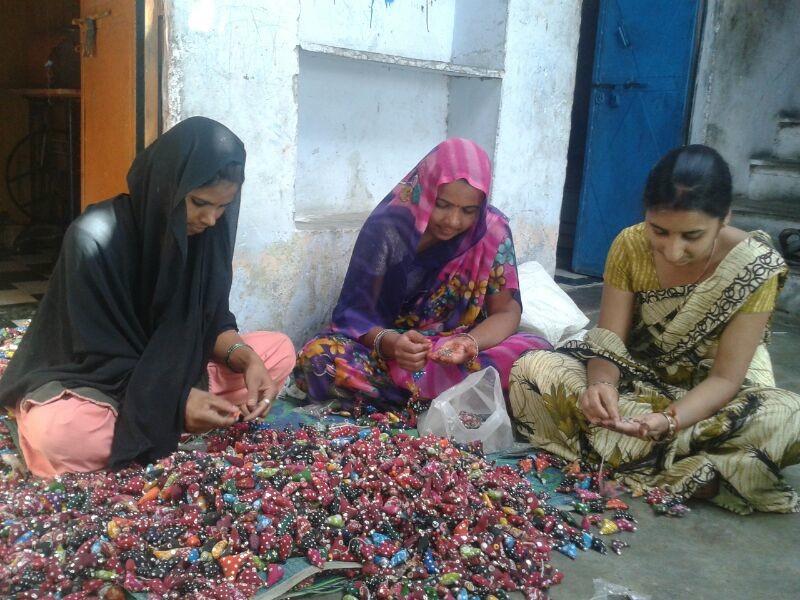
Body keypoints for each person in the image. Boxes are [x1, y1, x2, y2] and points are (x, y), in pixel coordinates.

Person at [509, 145, 800, 514]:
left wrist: (668, 420)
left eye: (692, 236)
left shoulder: (755, 267)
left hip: (713, 395)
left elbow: (727, 379)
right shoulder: (629, 245)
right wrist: (602, 387)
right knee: (532, 369)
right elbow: (610, 340)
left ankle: (635, 457)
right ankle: (704, 472)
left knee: (787, 416)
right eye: (659, 231)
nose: (672, 250)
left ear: (724, 217)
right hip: (638, 377)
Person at [0, 117, 295, 478]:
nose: (211, 219)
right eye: (200, 203)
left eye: (223, 207)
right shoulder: (93, 238)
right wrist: (173, 400)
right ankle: (172, 420)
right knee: (62, 433)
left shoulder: (203, 238)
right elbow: (97, 354)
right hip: (100, 381)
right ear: (166, 185)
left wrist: (245, 359)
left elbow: (210, 321)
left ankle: (171, 420)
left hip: (176, 370)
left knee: (278, 351)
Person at [294, 138, 550, 417]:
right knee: (318, 359)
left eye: (468, 211)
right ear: (425, 190)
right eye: (442, 205)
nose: (452, 221)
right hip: (398, 354)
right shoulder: (388, 230)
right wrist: (393, 345)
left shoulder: (492, 232)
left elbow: (506, 311)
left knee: (536, 356)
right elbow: (352, 316)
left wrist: (470, 343)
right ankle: (451, 404)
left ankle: (425, 403)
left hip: (457, 353)